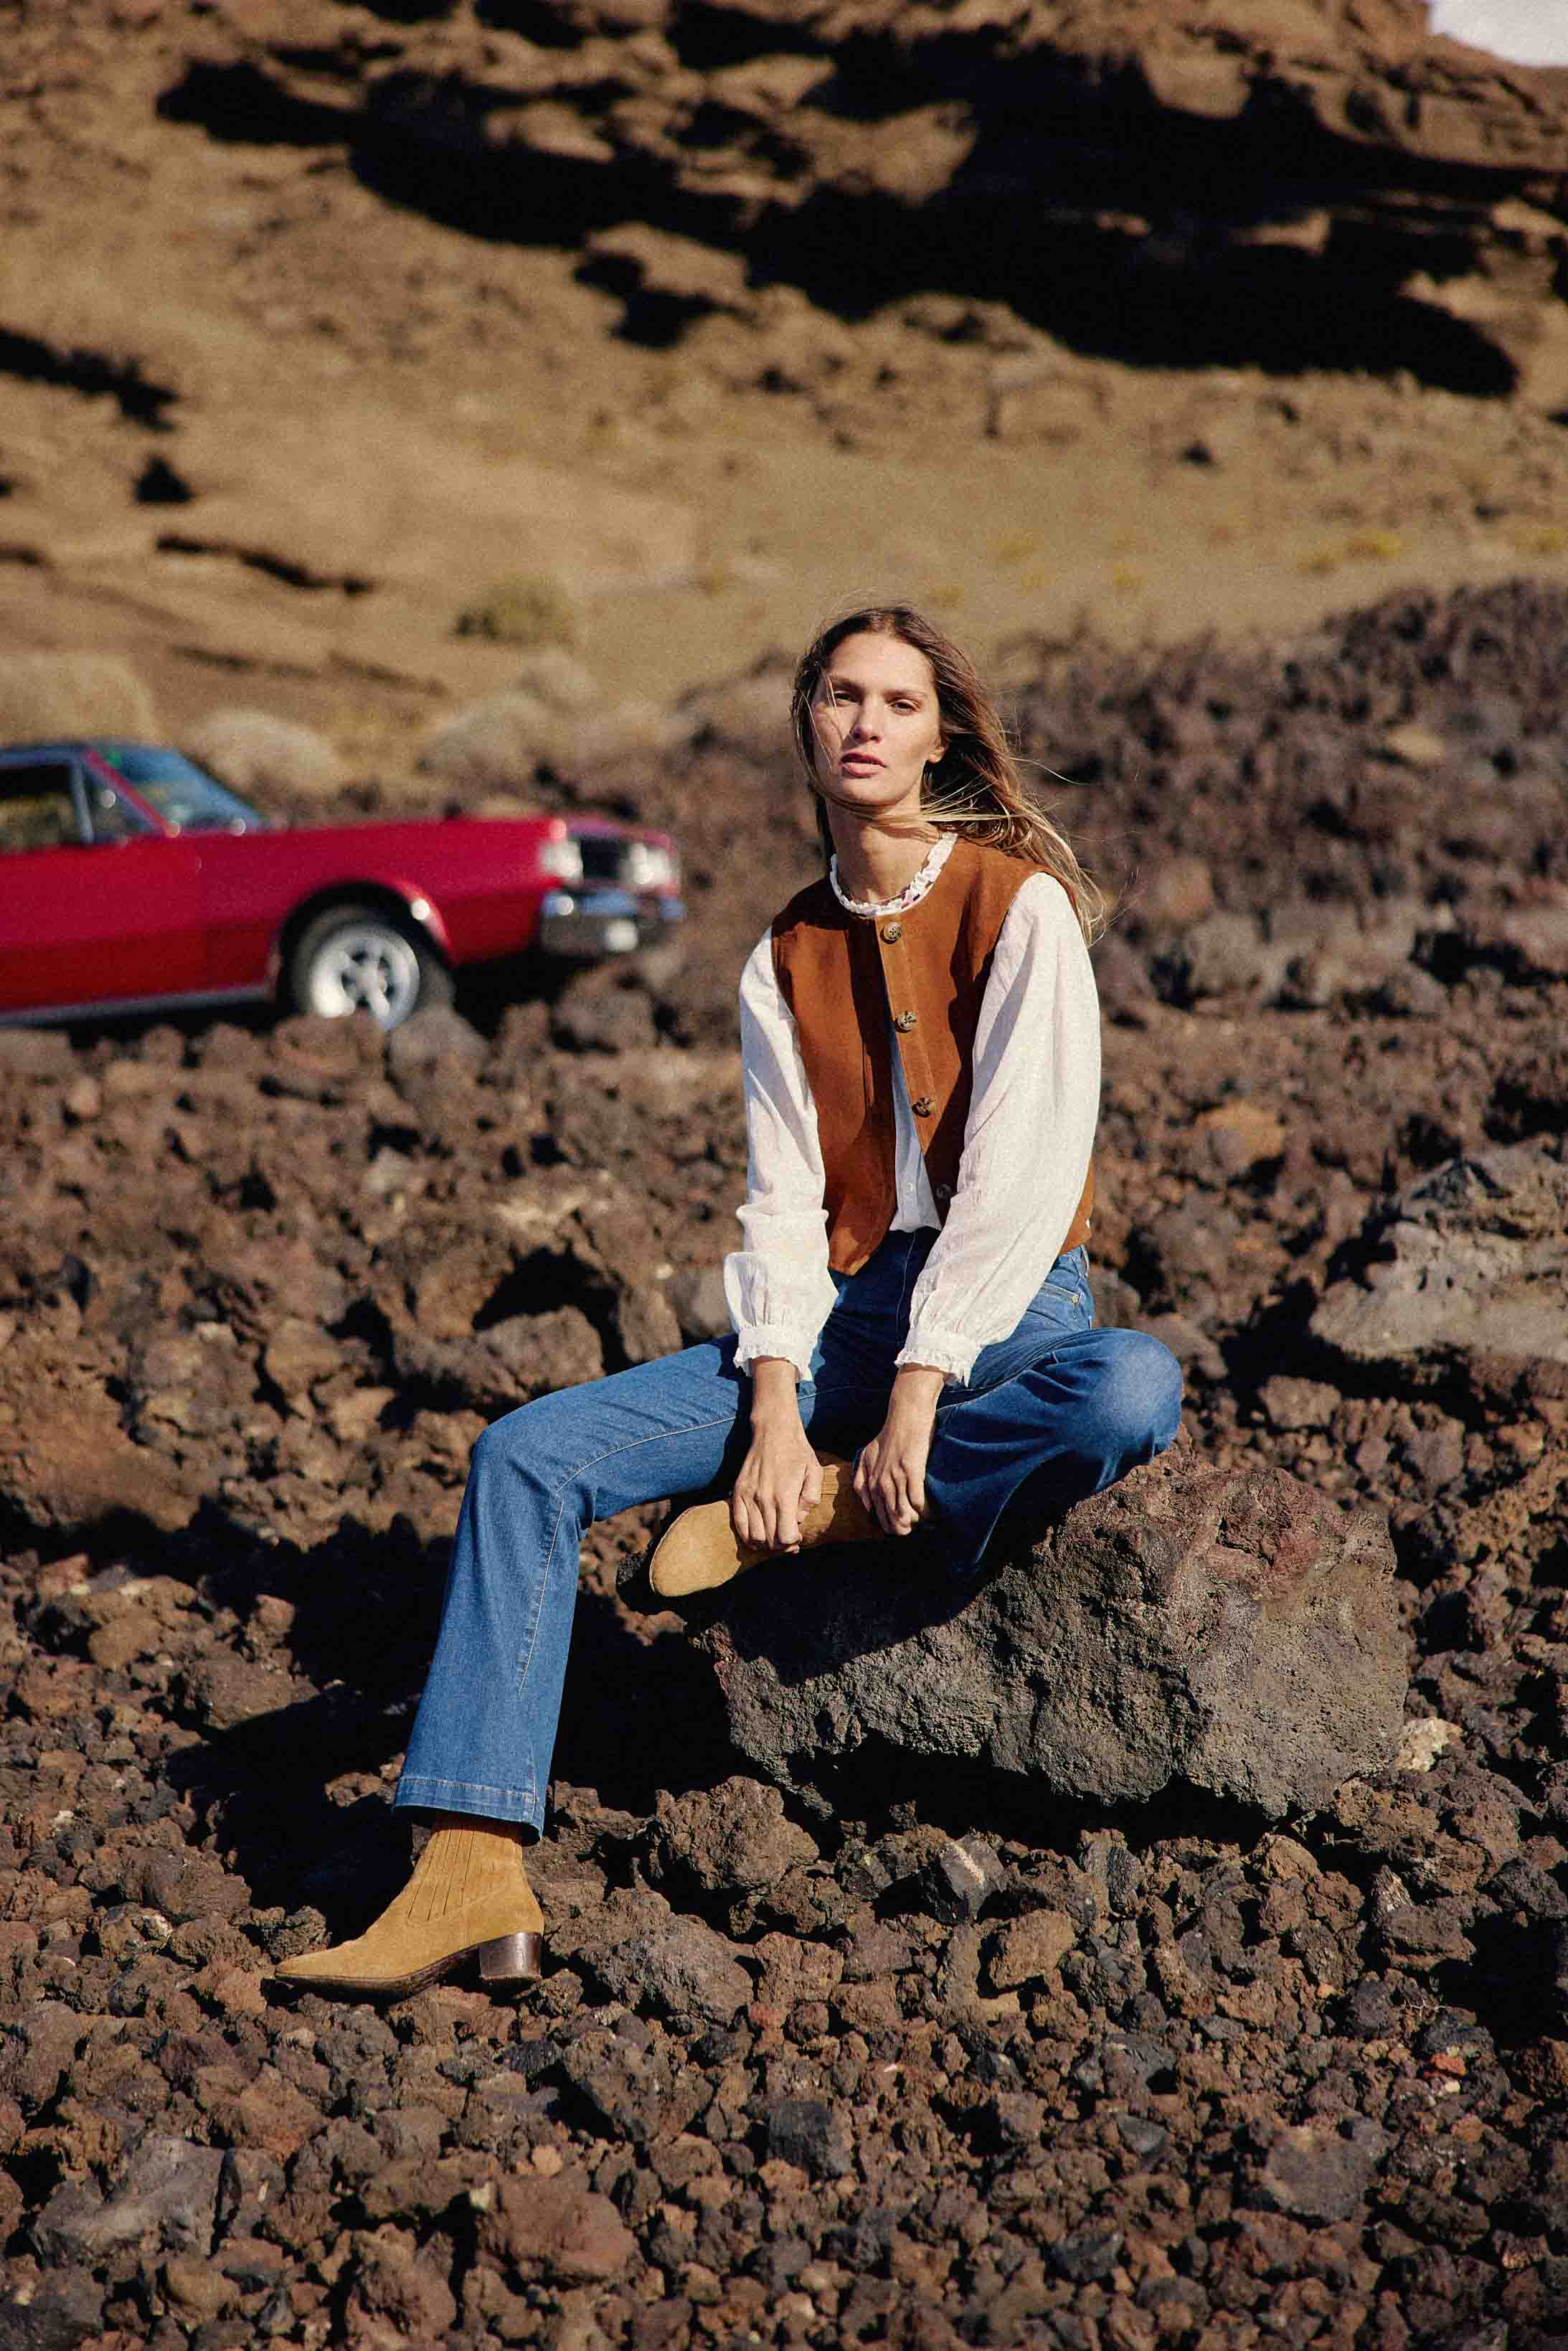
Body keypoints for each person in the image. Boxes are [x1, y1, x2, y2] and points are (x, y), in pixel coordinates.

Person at [277, 605, 1184, 2000]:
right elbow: (778, 1205)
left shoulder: (1022, 907)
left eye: (895, 699)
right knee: (524, 1457)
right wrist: (772, 1410)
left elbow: (1019, 1173)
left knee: (1132, 1387)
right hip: (832, 1319)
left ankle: (825, 1511)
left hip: (1006, 1311)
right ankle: (467, 1867)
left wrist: (909, 1404)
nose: (865, 721)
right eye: (838, 696)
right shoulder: (783, 951)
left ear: (940, 732)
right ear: (806, 727)